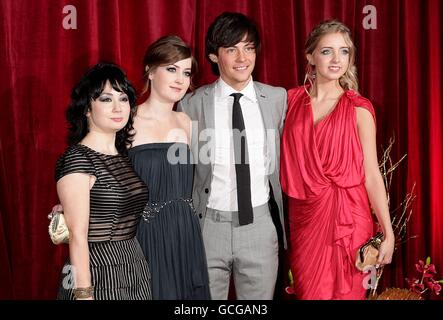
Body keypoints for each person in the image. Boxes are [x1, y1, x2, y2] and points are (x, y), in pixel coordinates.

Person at [280, 19, 395, 300]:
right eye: (327, 51)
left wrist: (387, 233)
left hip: (350, 218)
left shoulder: (359, 109)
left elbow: (371, 173)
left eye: (344, 52)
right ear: (310, 56)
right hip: (305, 217)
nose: (336, 59)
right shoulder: (289, 101)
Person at [177, 12, 287, 300]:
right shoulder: (190, 104)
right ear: (214, 56)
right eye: (231, 49)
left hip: (260, 227)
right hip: (208, 228)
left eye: (249, 48)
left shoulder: (277, 100)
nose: (242, 57)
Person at [55, 62, 151, 300]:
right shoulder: (77, 158)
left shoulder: (122, 156)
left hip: (134, 267)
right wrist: (84, 294)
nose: (118, 107)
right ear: (88, 108)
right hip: (97, 271)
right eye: (107, 100)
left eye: (124, 98)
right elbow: (77, 236)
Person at [128, 35, 211, 299]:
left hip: (185, 234)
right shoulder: (127, 119)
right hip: (144, 235)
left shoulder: (186, 121)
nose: (180, 79)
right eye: (171, 69)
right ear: (150, 71)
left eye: (186, 72)